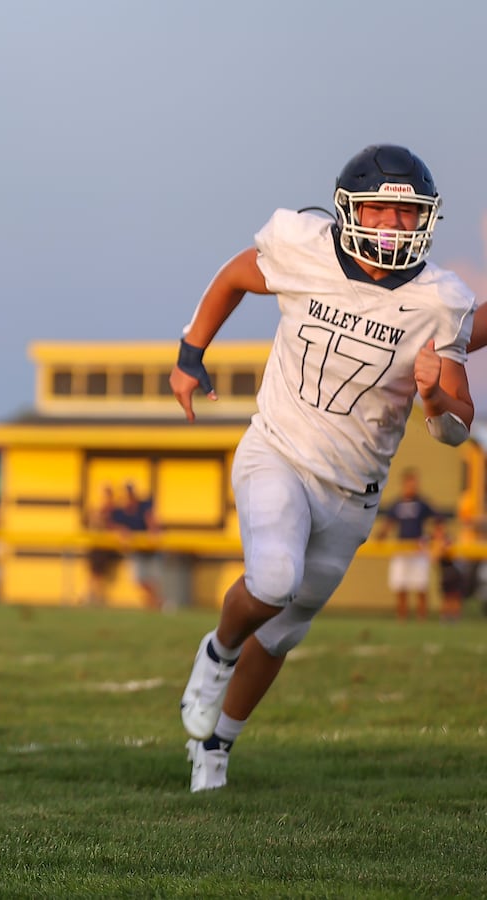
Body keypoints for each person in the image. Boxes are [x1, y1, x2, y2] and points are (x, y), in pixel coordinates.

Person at [171, 144, 475, 793]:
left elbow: (457, 428)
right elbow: (233, 276)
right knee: (273, 577)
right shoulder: (301, 244)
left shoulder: (439, 301)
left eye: (407, 215)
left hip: (353, 492)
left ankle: (217, 747)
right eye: (380, 211)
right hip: (278, 449)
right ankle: (217, 651)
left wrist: (436, 395)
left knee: (281, 635)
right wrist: (190, 351)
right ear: (347, 209)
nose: (394, 227)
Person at [372, 468, 439, 621]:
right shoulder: (397, 504)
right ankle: (402, 615)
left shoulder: (422, 503)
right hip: (401, 549)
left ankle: (422, 616)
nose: (413, 486)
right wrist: (381, 535)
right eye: (410, 483)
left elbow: (437, 520)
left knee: (421, 584)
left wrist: (433, 537)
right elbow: (388, 523)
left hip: (418, 549)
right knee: (400, 584)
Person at [115, 482, 163, 611]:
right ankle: (155, 601)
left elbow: (152, 521)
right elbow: (114, 525)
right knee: (139, 579)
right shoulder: (121, 511)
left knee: (153, 579)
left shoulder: (143, 506)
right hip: (137, 550)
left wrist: (153, 532)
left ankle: (154, 603)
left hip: (150, 549)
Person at [84, 483, 123, 606]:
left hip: (105, 548)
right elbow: (89, 524)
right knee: (95, 574)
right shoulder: (99, 509)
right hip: (96, 547)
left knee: (99, 574)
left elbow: (113, 527)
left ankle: (96, 597)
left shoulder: (113, 510)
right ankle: (92, 596)